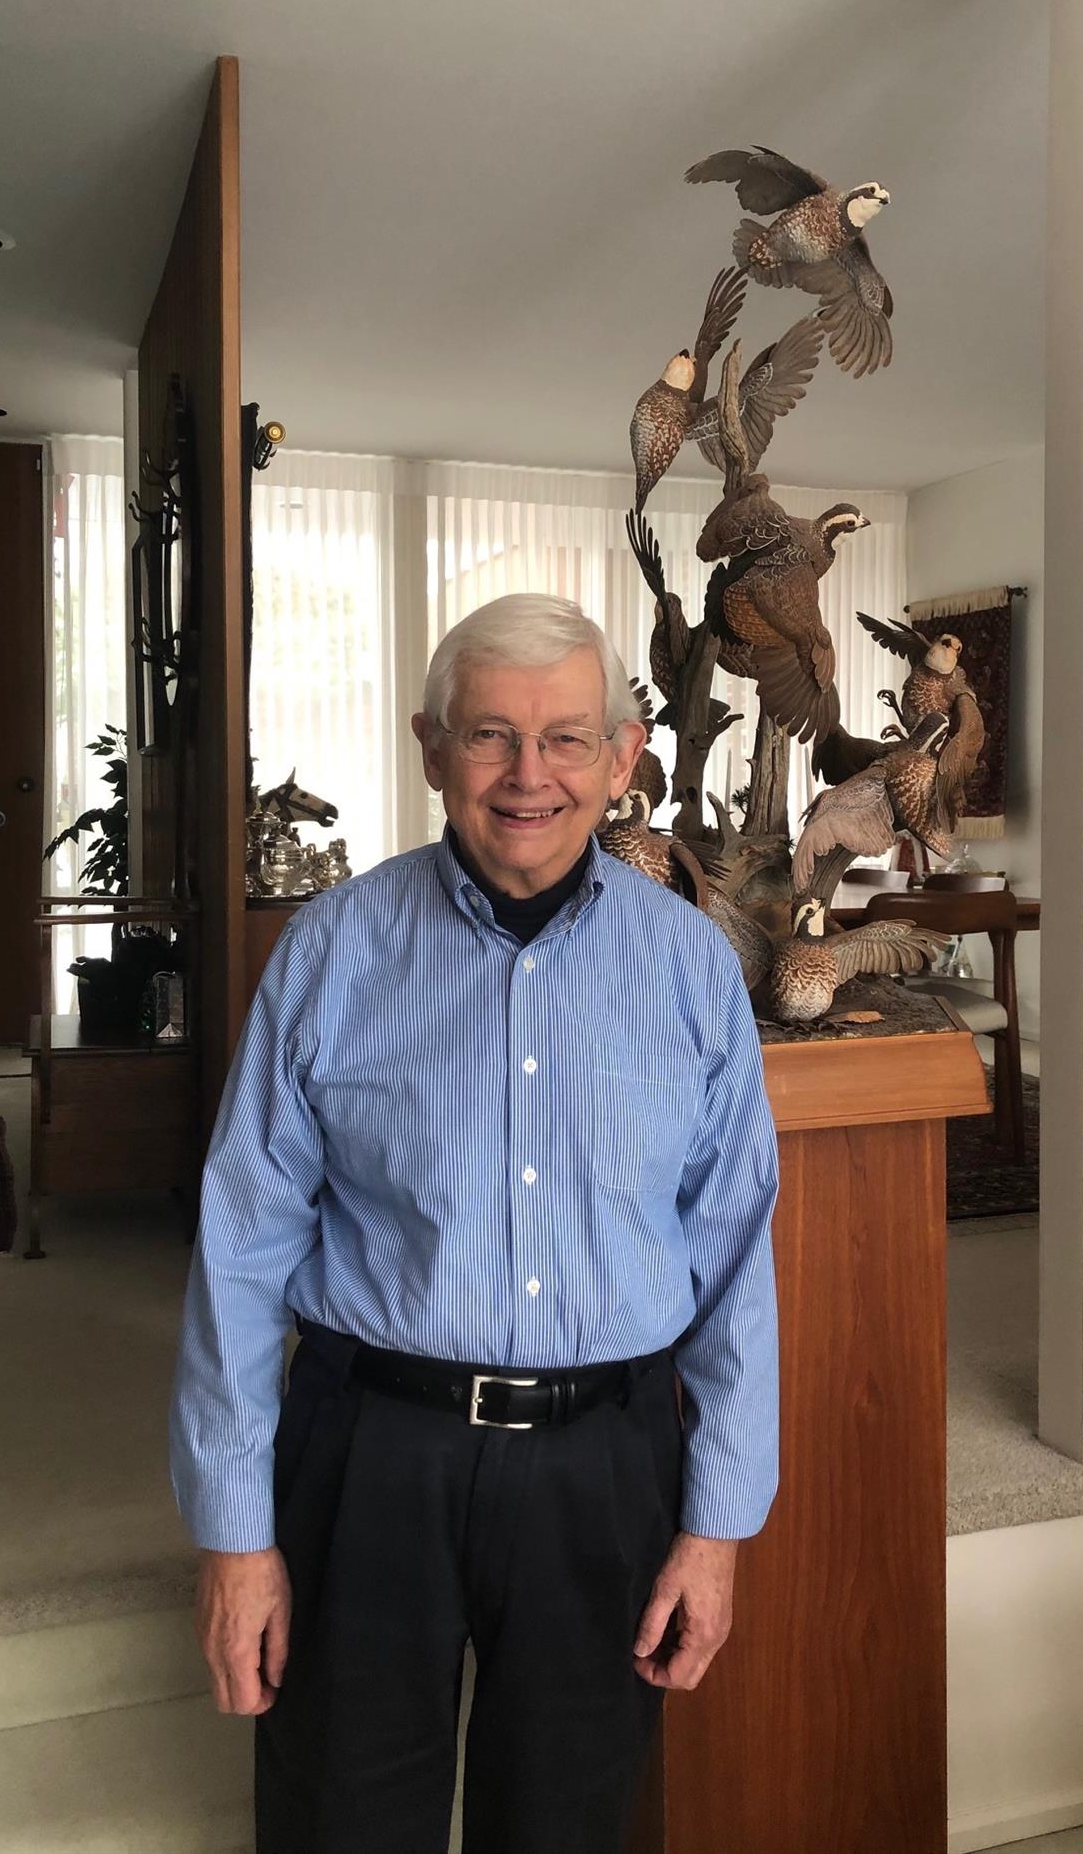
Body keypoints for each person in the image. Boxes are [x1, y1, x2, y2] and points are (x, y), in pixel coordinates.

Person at [170, 592, 780, 1854]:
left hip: (605, 1468)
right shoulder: (331, 952)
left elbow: (732, 1262)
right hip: (370, 1459)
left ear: (623, 758)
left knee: (565, 1828)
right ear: (431, 748)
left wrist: (718, 1527)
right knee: (340, 1825)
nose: (527, 776)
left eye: (566, 739)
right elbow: (242, 1247)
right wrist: (234, 1536)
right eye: (491, 735)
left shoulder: (690, 969)